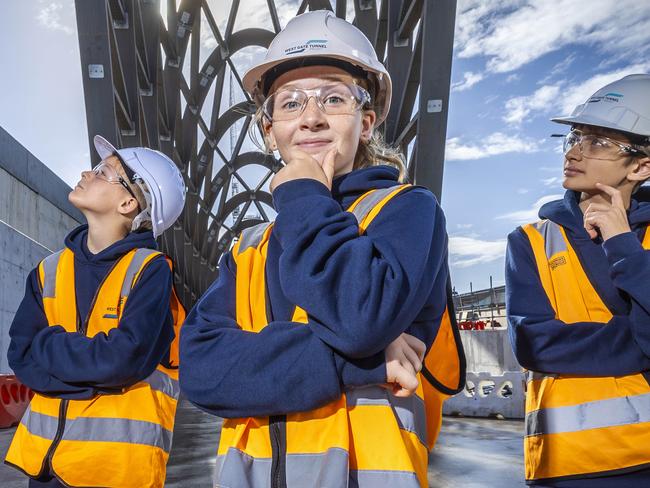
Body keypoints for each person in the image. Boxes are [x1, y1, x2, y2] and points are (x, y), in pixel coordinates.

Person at [180, 10, 464, 488]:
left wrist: (306, 194)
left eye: (333, 98)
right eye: (289, 103)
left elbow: (359, 318)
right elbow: (202, 371)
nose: (311, 118)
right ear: (270, 131)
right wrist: (364, 363)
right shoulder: (251, 247)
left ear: (367, 121)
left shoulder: (408, 211)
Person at [4, 136, 187, 488]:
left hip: (112, 469)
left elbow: (122, 359)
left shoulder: (150, 271)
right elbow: (22, 354)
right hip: (45, 468)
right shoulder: (49, 270)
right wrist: (94, 378)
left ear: (128, 202)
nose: (88, 173)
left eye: (104, 171)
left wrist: (52, 347)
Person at [506, 74, 650, 487]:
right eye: (574, 136)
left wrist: (622, 243)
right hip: (570, 464)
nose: (575, 151)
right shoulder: (531, 239)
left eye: (598, 142)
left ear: (641, 165)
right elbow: (535, 344)